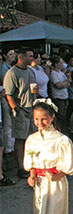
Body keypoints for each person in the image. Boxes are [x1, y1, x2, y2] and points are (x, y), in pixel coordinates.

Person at [18, 99, 73, 214]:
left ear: (52, 117)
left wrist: (58, 174)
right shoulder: (32, 139)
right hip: (40, 184)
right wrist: (32, 174)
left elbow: (69, 166)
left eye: (44, 119)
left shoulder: (61, 140)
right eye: (36, 119)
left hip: (55, 184)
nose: (40, 123)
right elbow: (31, 162)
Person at [3, 47, 37, 178]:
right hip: (21, 109)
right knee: (20, 139)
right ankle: (21, 167)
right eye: (30, 56)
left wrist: (36, 101)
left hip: (31, 108)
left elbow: (34, 88)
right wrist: (15, 109)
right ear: (21, 57)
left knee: (32, 138)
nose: (32, 58)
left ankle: (32, 164)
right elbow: (9, 94)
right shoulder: (12, 73)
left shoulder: (31, 72)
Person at [49, 55, 71, 135]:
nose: (62, 64)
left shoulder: (61, 73)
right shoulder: (53, 74)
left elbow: (68, 83)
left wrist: (64, 83)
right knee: (60, 117)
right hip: (58, 98)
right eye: (60, 63)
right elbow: (58, 85)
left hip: (65, 96)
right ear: (56, 64)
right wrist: (65, 83)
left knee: (64, 117)